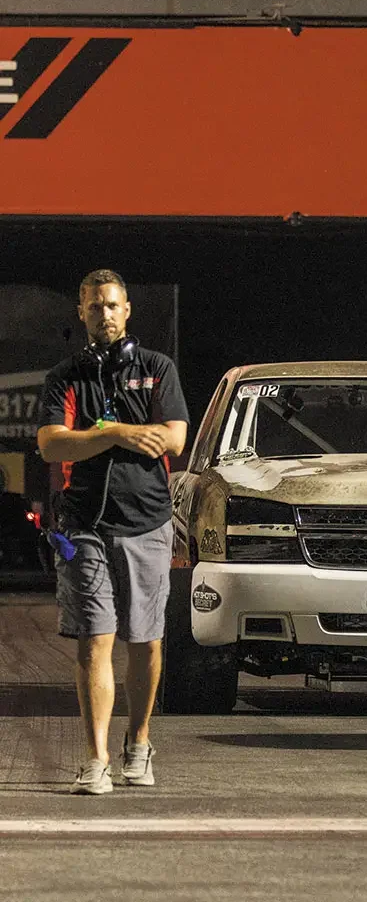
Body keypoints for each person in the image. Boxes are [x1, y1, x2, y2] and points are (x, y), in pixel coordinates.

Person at [37, 269, 189, 795]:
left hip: (147, 522)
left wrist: (93, 436)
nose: (104, 313)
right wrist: (119, 432)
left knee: (145, 641)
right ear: (81, 312)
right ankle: (96, 758)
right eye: (94, 306)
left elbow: (173, 438)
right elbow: (52, 444)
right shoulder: (66, 376)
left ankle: (139, 744)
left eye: (112, 305)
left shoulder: (156, 368)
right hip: (82, 525)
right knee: (94, 640)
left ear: (127, 311)